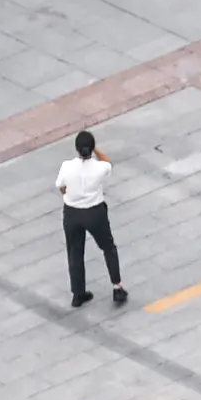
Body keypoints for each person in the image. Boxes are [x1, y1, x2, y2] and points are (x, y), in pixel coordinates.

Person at [58, 130, 124, 309]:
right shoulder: (99, 168)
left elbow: (61, 187)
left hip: (72, 213)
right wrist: (97, 150)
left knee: (75, 252)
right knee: (108, 247)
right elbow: (108, 162)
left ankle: (78, 294)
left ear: (77, 149)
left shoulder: (67, 166)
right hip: (95, 212)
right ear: (91, 148)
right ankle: (117, 287)